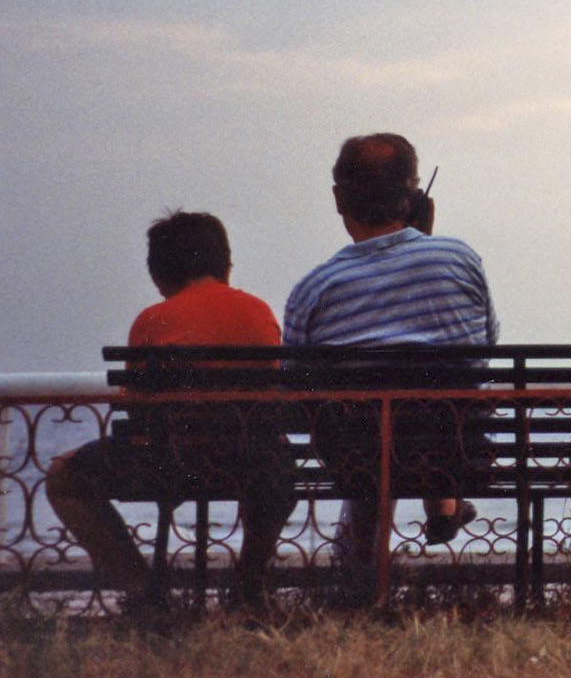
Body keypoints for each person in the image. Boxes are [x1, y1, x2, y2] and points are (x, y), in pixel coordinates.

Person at [45, 211, 296, 610]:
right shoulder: (258, 312)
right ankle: (249, 582)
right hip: (251, 463)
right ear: (225, 264)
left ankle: (142, 588)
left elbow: (136, 408)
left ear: (159, 273)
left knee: (63, 476)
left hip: (171, 462)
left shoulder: (153, 320)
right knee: (275, 454)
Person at [284, 133, 498, 560]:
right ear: (412, 194)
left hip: (355, 456)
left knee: (370, 435)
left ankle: (361, 582)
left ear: (338, 198)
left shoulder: (313, 290)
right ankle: (435, 516)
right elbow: (484, 349)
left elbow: (294, 389)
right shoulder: (459, 260)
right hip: (455, 451)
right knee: (408, 431)